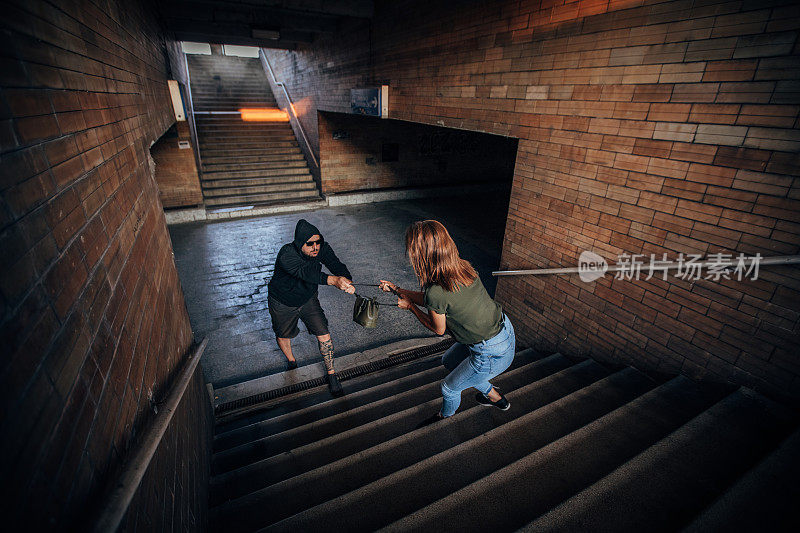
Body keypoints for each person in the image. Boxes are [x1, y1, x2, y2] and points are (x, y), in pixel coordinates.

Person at [380, 220, 515, 425]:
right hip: (503, 331)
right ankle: (496, 398)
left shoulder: (436, 290)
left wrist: (411, 307)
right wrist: (398, 289)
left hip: (490, 351)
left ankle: (444, 418)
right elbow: (436, 301)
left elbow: (438, 329)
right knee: (449, 362)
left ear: (421, 255)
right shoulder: (462, 267)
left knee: (449, 388)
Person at [268, 219, 355, 396]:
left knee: (324, 333)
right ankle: (291, 361)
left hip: (308, 299)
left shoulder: (321, 249)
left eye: (318, 242)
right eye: (310, 244)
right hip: (282, 301)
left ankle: (332, 375)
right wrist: (333, 281)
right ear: (300, 243)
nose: (315, 247)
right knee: (283, 334)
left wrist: (346, 279)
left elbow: (335, 264)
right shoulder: (286, 254)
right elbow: (306, 273)